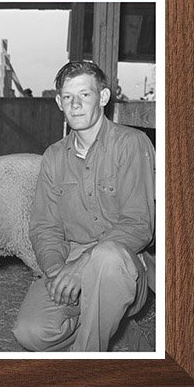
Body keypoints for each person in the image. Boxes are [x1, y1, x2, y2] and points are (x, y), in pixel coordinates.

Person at [13, 59, 155, 353]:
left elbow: (139, 224)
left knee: (106, 257)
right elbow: (44, 226)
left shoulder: (132, 144)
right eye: (68, 97)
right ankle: (109, 322)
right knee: (31, 333)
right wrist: (57, 272)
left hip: (124, 262)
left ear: (103, 97)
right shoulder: (54, 157)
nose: (75, 105)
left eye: (84, 95)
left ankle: (86, 361)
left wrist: (82, 267)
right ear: (59, 103)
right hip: (70, 258)